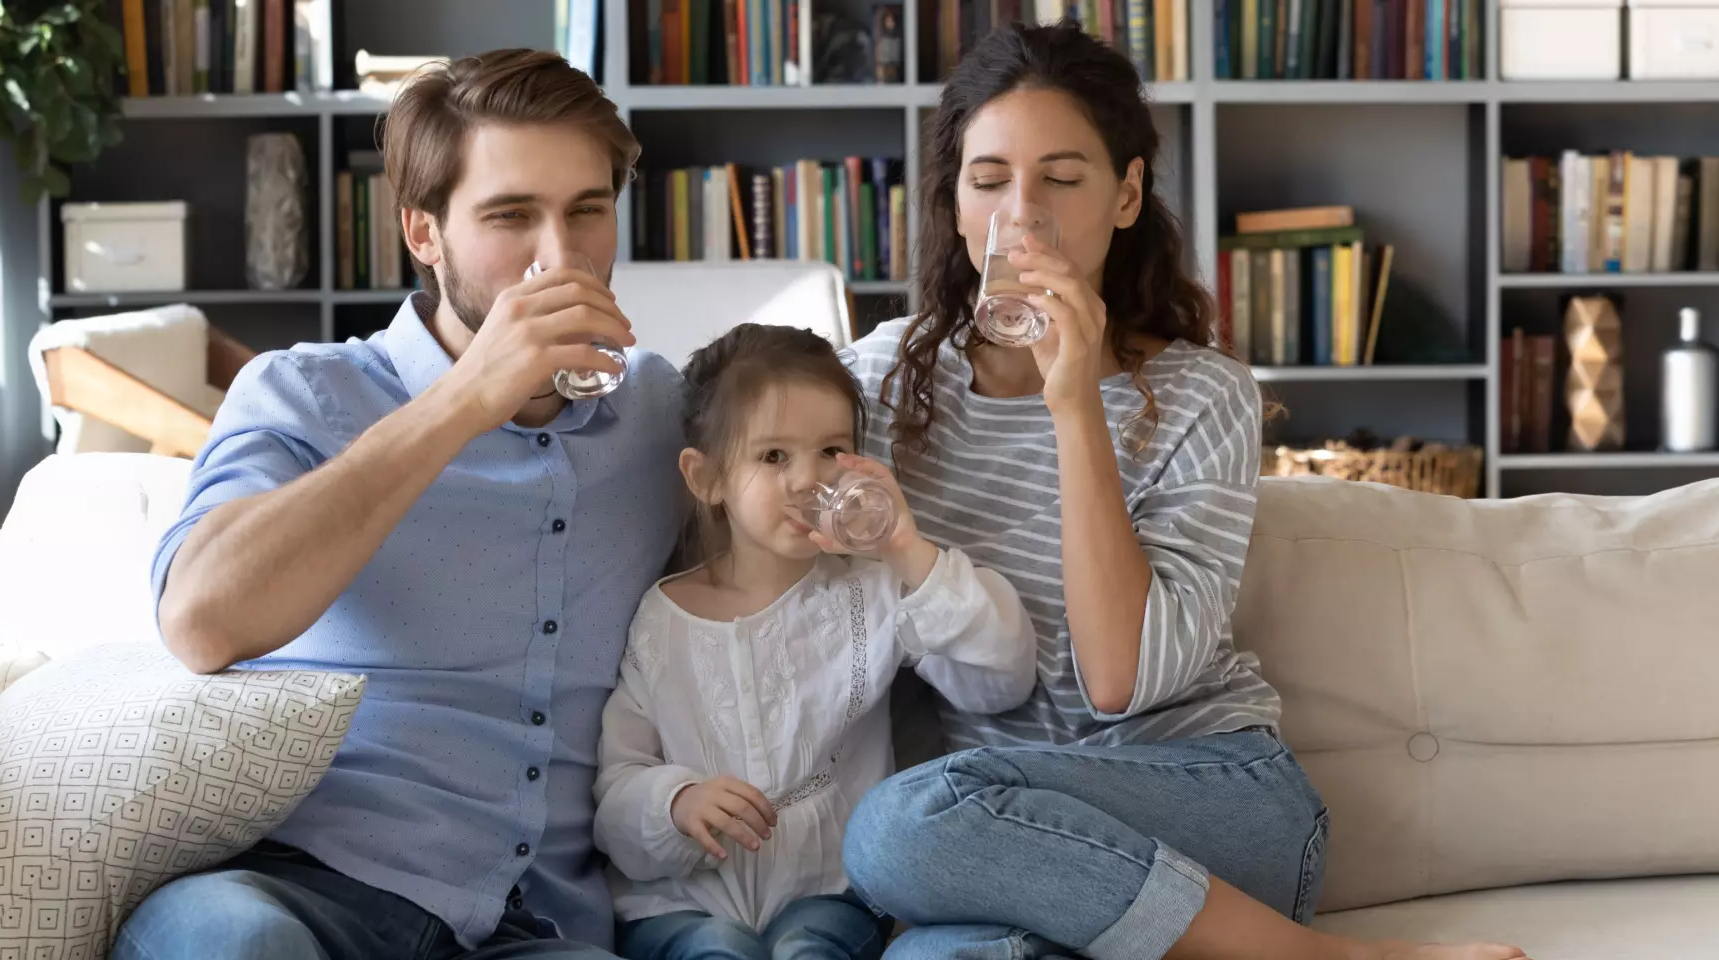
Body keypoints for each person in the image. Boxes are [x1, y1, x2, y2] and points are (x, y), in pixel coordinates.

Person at [835, 22, 1531, 960]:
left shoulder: (1205, 395)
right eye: (990, 180)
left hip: (1209, 798)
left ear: (1126, 195)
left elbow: (1122, 683)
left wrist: (1074, 404)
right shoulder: (882, 380)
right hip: (1004, 840)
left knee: (897, 826)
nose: (1023, 217)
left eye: (1063, 179)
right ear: (956, 203)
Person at [115, 50, 686, 960]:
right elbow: (199, 619)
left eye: (588, 209)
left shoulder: (666, 415)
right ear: (424, 233)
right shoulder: (302, 393)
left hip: (535, 927)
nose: (560, 256)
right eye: (510, 217)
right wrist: (463, 402)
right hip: (299, 892)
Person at [591, 325, 1039, 960]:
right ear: (707, 477)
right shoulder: (660, 618)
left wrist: (907, 549)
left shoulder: (874, 592)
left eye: (831, 450)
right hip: (678, 902)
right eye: (773, 457)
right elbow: (618, 785)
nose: (809, 480)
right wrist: (676, 803)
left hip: (830, 893)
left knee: (808, 949)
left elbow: (1002, 676)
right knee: (716, 949)